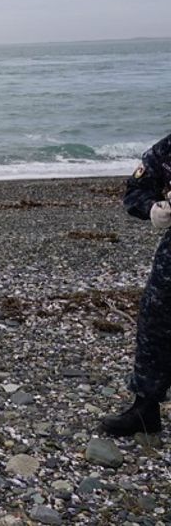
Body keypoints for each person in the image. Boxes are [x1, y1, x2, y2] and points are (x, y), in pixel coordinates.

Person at [100, 134, 171, 436]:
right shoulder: (167, 149)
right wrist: (154, 209)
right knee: (155, 323)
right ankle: (145, 409)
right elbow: (136, 190)